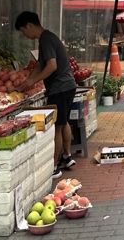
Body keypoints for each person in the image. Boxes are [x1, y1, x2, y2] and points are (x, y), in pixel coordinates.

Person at [15, 11, 77, 179]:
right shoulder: (49, 37)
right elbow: (40, 64)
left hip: (60, 87)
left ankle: (55, 166)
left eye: (23, 31)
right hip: (67, 86)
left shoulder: (45, 39)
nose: (24, 35)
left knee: (56, 126)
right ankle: (67, 156)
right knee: (64, 122)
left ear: (29, 25)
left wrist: (36, 80)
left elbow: (51, 66)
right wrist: (30, 80)